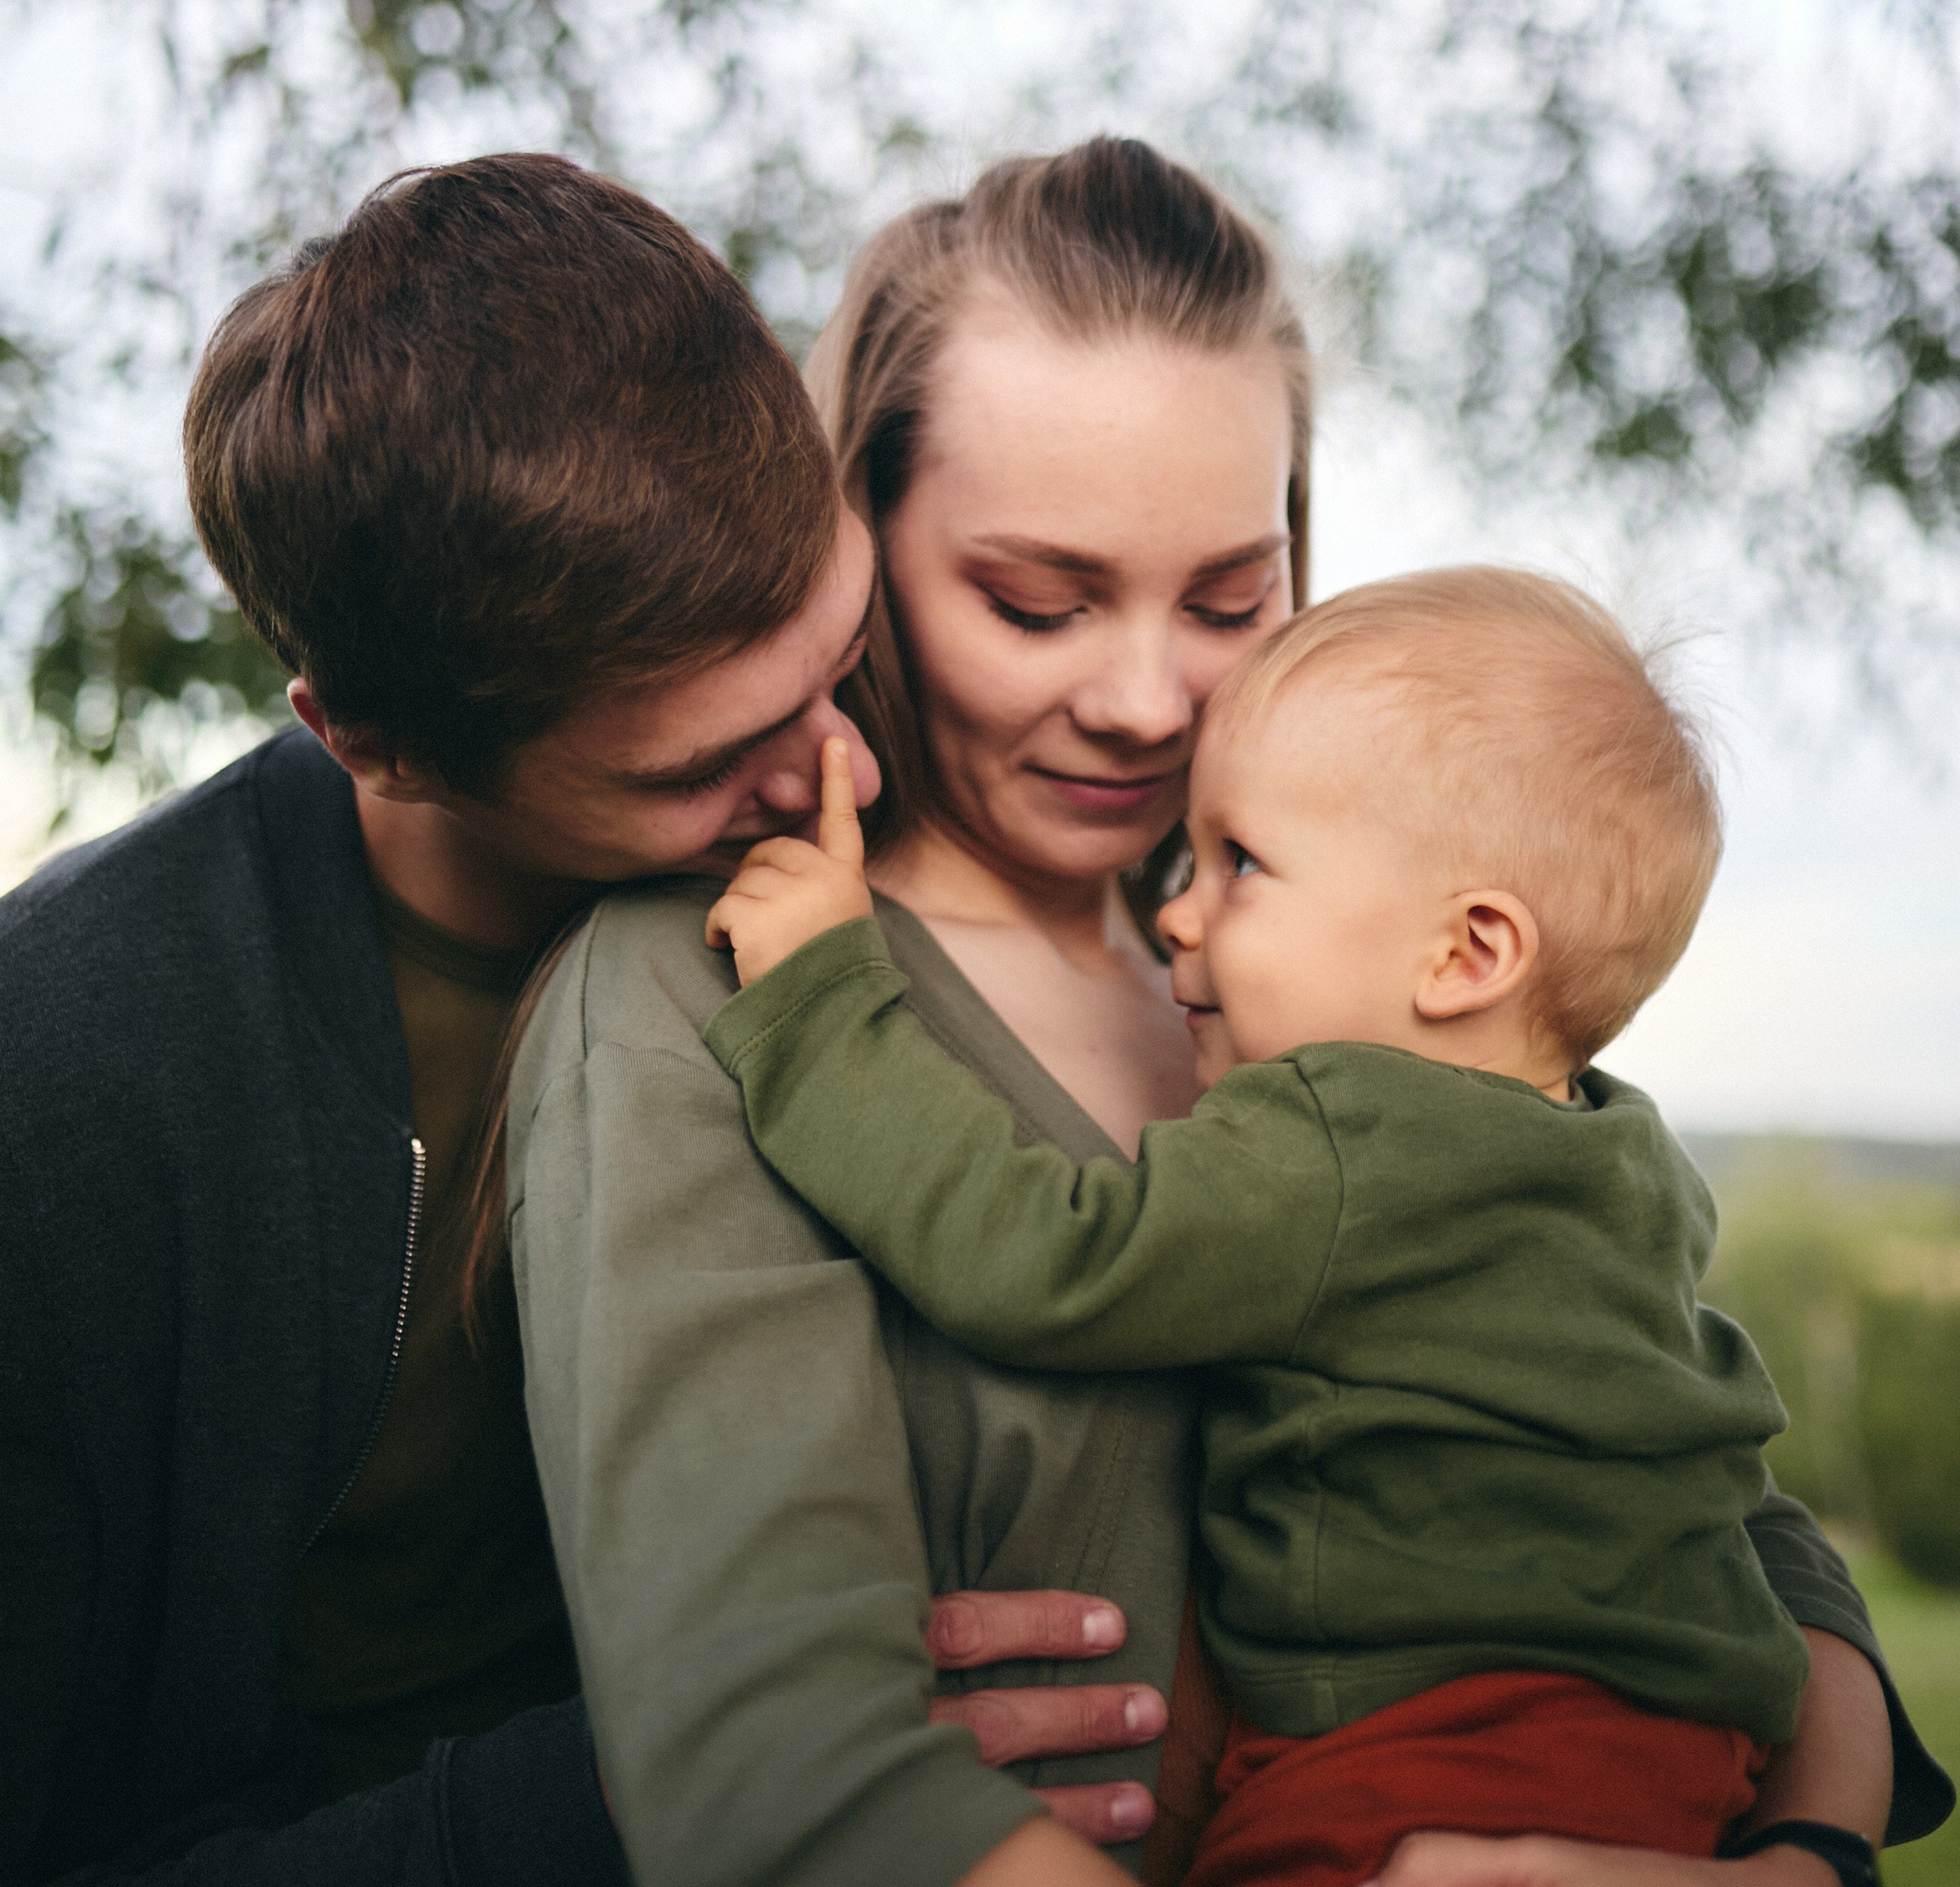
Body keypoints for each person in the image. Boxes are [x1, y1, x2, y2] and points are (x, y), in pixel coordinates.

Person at [507, 140, 1950, 1887]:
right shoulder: (714, 983)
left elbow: (1693, 1476)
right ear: (858, 547)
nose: (1140, 701)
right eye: (1033, 601)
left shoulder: (1337, 969)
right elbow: (771, 1758)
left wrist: (1802, 1855)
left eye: (1226, 598)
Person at [0, 155, 1149, 1887]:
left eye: (831, 658)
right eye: (698, 768)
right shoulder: (68, 1082)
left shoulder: (973, 789)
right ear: (368, 740)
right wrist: (633, 1800)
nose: (838, 770)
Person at [701, 571, 1828, 1884]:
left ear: (1465, 956)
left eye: (1241, 864)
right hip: (1691, 1752)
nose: (1177, 910)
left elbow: (1048, 1257)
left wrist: (824, 1000)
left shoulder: (1343, 1134)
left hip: (1435, 1752)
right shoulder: (1618, 1149)